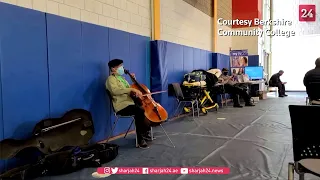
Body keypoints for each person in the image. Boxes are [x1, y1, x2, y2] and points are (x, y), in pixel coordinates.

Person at [106, 59, 151, 149]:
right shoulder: (110, 79)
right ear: (113, 69)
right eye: (120, 67)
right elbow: (115, 91)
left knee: (144, 109)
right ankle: (140, 139)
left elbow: (131, 89)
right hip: (121, 106)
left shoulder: (122, 79)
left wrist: (133, 80)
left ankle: (145, 132)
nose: (123, 68)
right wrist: (131, 89)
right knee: (139, 110)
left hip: (130, 103)